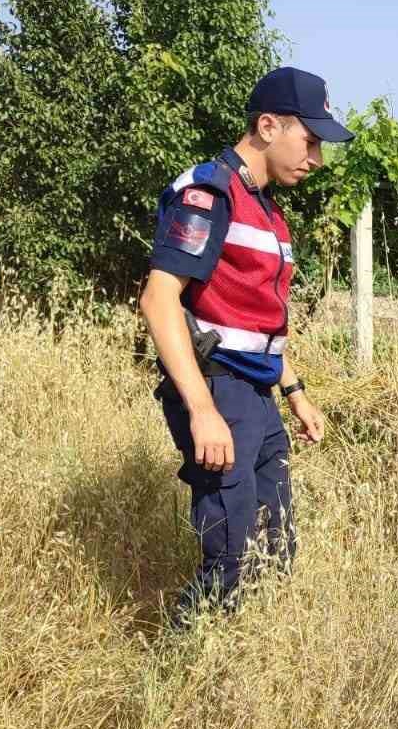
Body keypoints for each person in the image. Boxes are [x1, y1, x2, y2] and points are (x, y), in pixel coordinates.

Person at [138, 66, 353, 624]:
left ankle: (248, 648)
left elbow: (257, 321)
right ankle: (182, 654)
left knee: (274, 545)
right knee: (230, 553)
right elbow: (159, 301)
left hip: (257, 394)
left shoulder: (268, 211)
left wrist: (296, 392)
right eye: (310, 141)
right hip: (219, 390)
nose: (316, 159)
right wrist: (202, 410)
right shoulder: (209, 194)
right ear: (267, 126)